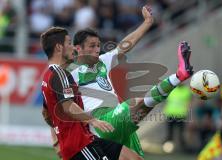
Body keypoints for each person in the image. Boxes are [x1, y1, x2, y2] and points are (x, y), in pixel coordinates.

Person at [69, 6, 193, 157]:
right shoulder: (71, 74)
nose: (97, 49)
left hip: (119, 120)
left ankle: (179, 76)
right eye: (91, 46)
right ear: (78, 49)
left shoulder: (102, 61)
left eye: (98, 45)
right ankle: (179, 76)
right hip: (103, 122)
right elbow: (62, 107)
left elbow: (125, 45)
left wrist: (147, 22)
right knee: (136, 102)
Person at [40, 26, 143, 160]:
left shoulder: (48, 76)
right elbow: (68, 106)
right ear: (59, 48)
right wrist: (93, 121)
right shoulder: (61, 73)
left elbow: (46, 113)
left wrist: (57, 137)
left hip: (87, 138)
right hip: (78, 145)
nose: (72, 47)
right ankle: (175, 78)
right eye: (69, 43)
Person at [162, 84, 192, 151]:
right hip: (170, 114)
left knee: (181, 133)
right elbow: (167, 102)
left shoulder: (186, 91)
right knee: (170, 133)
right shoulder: (171, 90)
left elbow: (189, 103)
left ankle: (183, 149)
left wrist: (189, 114)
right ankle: (168, 149)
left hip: (181, 115)